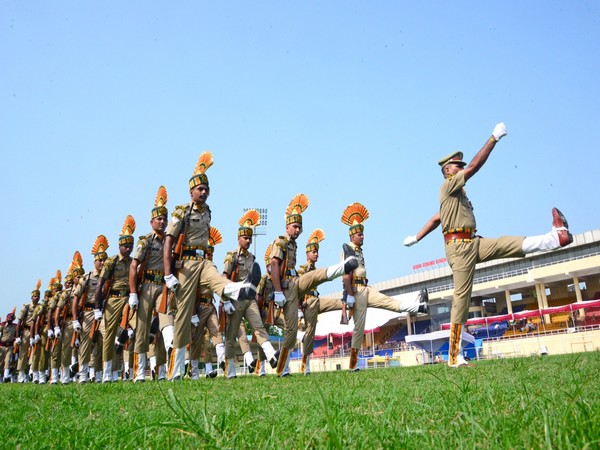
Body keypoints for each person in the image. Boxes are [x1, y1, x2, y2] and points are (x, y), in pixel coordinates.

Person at [403, 122, 573, 367]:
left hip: (472, 242)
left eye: (460, 166)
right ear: (448, 171)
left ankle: (557, 238)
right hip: (459, 249)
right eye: (457, 166)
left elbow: (435, 218)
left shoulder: (457, 196)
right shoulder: (448, 185)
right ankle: (453, 356)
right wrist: (493, 139)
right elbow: (474, 166)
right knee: (462, 297)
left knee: (507, 244)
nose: (461, 168)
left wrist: (417, 237)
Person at [162, 152, 261, 380]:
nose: (204, 192)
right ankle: (175, 371)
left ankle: (242, 288)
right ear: (191, 192)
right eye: (200, 189)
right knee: (183, 317)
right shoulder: (181, 212)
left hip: (203, 261)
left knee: (219, 281)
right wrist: (169, 274)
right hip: (185, 265)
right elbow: (169, 242)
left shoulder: (208, 212)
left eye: (207, 189)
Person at [269, 194, 359, 377]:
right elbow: (274, 266)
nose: (298, 230)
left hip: (296, 284)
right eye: (295, 226)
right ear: (287, 226)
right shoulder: (280, 242)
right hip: (286, 289)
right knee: (291, 332)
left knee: (316, 277)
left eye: (300, 227)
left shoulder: (293, 245)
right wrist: (278, 292)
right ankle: (282, 369)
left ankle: (343, 267)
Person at [341, 202, 429, 372]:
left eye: (363, 234)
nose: (362, 236)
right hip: (357, 291)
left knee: (389, 303)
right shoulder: (348, 249)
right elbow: (346, 275)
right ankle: (352, 364)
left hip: (366, 288)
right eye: (360, 234)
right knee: (359, 327)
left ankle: (420, 306)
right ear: (352, 236)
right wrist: (349, 295)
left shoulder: (359, 250)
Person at [222, 209, 279, 378]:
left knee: (259, 327)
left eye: (249, 238)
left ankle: (271, 355)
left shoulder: (253, 258)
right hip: (235, 299)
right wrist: (225, 301)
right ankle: (230, 369)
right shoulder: (230, 257)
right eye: (245, 238)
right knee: (232, 336)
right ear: (238, 238)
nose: (248, 240)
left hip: (249, 299)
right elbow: (224, 279)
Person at [129, 186, 169, 383]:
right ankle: (139, 371)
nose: (162, 222)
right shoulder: (145, 241)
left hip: (163, 286)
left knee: (163, 326)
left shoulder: (170, 241)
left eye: (164, 219)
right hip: (146, 287)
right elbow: (134, 265)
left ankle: (161, 370)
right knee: (142, 329)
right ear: (151, 221)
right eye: (158, 219)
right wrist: (133, 292)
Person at [94, 215, 136, 383]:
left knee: (132, 330)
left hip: (129, 299)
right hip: (113, 299)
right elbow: (100, 284)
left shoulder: (134, 262)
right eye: (125, 245)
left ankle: (127, 369)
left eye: (130, 245)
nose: (128, 248)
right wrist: (98, 307)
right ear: (119, 246)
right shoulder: (111, 261)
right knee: (109, 335)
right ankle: (108, 372)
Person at [298, 229, 345, 375]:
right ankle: (305, 366)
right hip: (308, 303)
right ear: (307, 254)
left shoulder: (316, 269)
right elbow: (298, 289)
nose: (316, 254)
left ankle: (347, 303)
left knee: (339, 303)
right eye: (313, 252)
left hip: (316, 300)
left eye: (317, 252)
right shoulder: (302, 270)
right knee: (310, 332)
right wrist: (299, 309)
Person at [72, 235, 108, 383]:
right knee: (86, 344)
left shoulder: (108, 277)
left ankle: (101, 374)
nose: (102, 262)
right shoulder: (87, 278)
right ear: (94, 261)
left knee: (104, 342)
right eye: (99, 260)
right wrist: (75, 320)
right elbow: (75, 298)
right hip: (88, 312)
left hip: (104, 312)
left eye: (104, 259)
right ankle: (83, 374)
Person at [15, 280, 42, 382]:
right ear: (31, 297)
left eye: (38, 296)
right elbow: (19, 322)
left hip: (35, 332)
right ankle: (21, 374)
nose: (36, 298)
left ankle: (31, 371)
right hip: (26, 331)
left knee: (34, 352)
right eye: (35, 296)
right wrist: (17, 336)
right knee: (23, 353)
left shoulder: (40, 307)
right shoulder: (26, 307)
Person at [0, 308, 17, 382]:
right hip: (2, 346)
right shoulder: (2, 325)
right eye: (9, 317)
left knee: (8, 360)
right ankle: (1, 376)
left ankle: (6, 376)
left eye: (12, 318)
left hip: (10, 346)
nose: (10, 318)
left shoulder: (15, 326)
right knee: (1, 362)